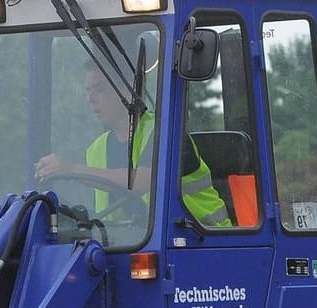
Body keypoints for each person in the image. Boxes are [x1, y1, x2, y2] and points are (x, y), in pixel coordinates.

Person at [33, 66, 230, 230]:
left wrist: (70, 170)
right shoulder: (96, 149)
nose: (91, 98)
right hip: (134, 243)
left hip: (205, 242)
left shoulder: (166, 132)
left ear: (127, 90)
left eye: (100, 89)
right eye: (88, 90)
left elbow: (140, 182)